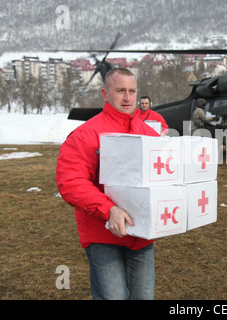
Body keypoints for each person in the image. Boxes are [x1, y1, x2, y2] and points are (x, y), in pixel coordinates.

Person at [56, 68, 160, 300]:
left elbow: (161, 180)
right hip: (103, 235)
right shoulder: (85, 134)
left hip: (142, 236)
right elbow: (71, 182)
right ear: (105, 93)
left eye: (132, 91)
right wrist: (109, 210)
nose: (127, 97)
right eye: (120, 90)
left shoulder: (150, 136)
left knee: (143, 297)